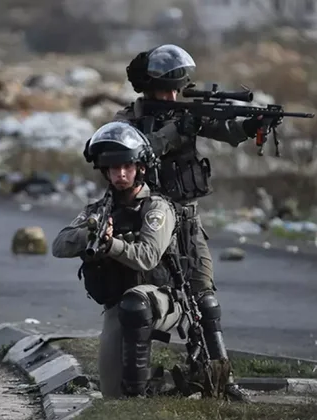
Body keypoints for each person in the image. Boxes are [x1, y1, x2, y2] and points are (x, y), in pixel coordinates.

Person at [106, 44, 260, 400]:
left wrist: (252, 125)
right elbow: (136, 152)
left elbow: (228, 131)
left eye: (177, 88)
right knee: (141, 305)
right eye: (165, 91)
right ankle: (135, 390)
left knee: (205, 300)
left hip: (188, 220)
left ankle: (220, 380)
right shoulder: (127, 121)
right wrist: (178, 128)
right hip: (148, 222)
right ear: (148, 89)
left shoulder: (185, 111)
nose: (173, 96)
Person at [52, 121, 182, 398]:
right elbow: (59, 245)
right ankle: (136, 397)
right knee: (111, 391)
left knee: (135, 304)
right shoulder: (99, 209)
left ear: (140, 169)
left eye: (127, 167)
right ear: (106, 172)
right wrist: (89, 233)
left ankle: (138, 392)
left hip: (162, 298)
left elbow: (148, 257)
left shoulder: (156, 208)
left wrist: (112, 244)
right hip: (120, 303)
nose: (121, 174)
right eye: (114, 169)